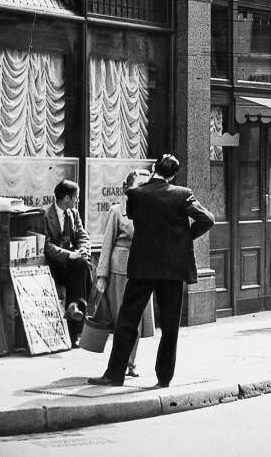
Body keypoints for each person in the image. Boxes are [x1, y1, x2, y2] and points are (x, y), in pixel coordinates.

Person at [89, 154, 215, 388]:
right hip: (172, 269)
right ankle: (163, 378)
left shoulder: (136, 194)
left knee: (127, 320)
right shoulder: (182, 194)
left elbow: (135, 218)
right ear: (173, 174)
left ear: (155, 168)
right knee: (169, 325)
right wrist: (183, 237)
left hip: (142, 266)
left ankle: (114, 374)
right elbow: (207, 219)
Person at [95, 170, 155, 376]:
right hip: (120, 270)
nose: (142, 189)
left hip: (143, 269)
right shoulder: (116, 211)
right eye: (138, 185)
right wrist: (102, 275)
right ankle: (120, 363)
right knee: (123, 319)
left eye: (145, 185)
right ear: (127, 188)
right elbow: (107, 244)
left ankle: (130, 362)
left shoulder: (150, 211)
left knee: (136, 319)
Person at [44, 179, 93, 347]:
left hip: (73, 266)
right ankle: (78, 322)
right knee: (83, 272)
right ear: (66, 198)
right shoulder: (45, 215)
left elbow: (82, 235)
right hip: (55, 266)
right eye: (76, 197)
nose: (77, 201)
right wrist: (70, 255)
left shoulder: (73, 213)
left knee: (83, 266)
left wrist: (84, 249)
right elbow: (46, 245)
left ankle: (74, 310)